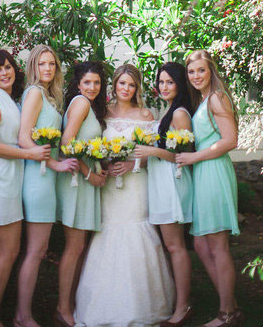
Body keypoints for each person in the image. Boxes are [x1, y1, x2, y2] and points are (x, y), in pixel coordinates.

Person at [75, 64, 174, 326]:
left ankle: (144, 305)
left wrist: (133, 164)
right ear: (115, 85)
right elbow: (93, 146)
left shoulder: (146, 115)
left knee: (137, 232)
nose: (126, 89)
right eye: (122, 84)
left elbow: (154, 155)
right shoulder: (102, 114)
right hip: (109, 185)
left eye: (131, 85)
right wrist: (104, 163)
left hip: (136, 184)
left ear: (137, 88)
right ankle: (103, 306)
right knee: (107, 234)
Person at [0, 49, 45, 327]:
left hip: (10, 180)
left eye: (8, 67)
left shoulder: (10, 100)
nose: (5, 73)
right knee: (8, 251)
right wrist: (30, 154)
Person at [14, 45, 79, 327]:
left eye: (52, 64)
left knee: (37, 250)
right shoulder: (33, 93)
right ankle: (22, 316)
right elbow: (23, 139)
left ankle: (23, 314)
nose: (48, 69)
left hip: (47, 178)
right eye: (42, 64)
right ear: (33, 67)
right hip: (38, 178)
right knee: (35, 251)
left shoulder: (50, 97)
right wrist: (55, 164)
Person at [176, 50, 242, 327]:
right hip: (203, 171)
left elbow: (230, 140)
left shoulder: (216, 97)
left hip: (214, 171)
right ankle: (232, 306)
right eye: (191, 72)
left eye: (200, 70)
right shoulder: (202, 99)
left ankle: (226, 314)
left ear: (210, 71)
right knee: (202, 245)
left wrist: (194, 157)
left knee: (217, 245)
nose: (195, 76)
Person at [134, 62, 194, 327]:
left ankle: (183, 307)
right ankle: (176, 301)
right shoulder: (168, 110)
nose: (164, 87)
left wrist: (152, 151)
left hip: (173, 181)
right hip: (160, 180)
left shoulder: (180, 113)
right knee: (171, 246)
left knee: (175, 246)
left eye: (170, 82)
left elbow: (187, 155)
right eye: (161, 82)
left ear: (180, 84)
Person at [54, 61, 108, 327]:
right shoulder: (81, 103)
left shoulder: (87, 106)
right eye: (87, 82)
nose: (92, 87)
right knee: (74, 247)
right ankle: (63, 308)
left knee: (78, 246)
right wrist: (89, 174)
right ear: (78, 84)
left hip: (86, 180)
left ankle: (72, 304)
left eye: (97, 83)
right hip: (77, 181)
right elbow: (66, 144)